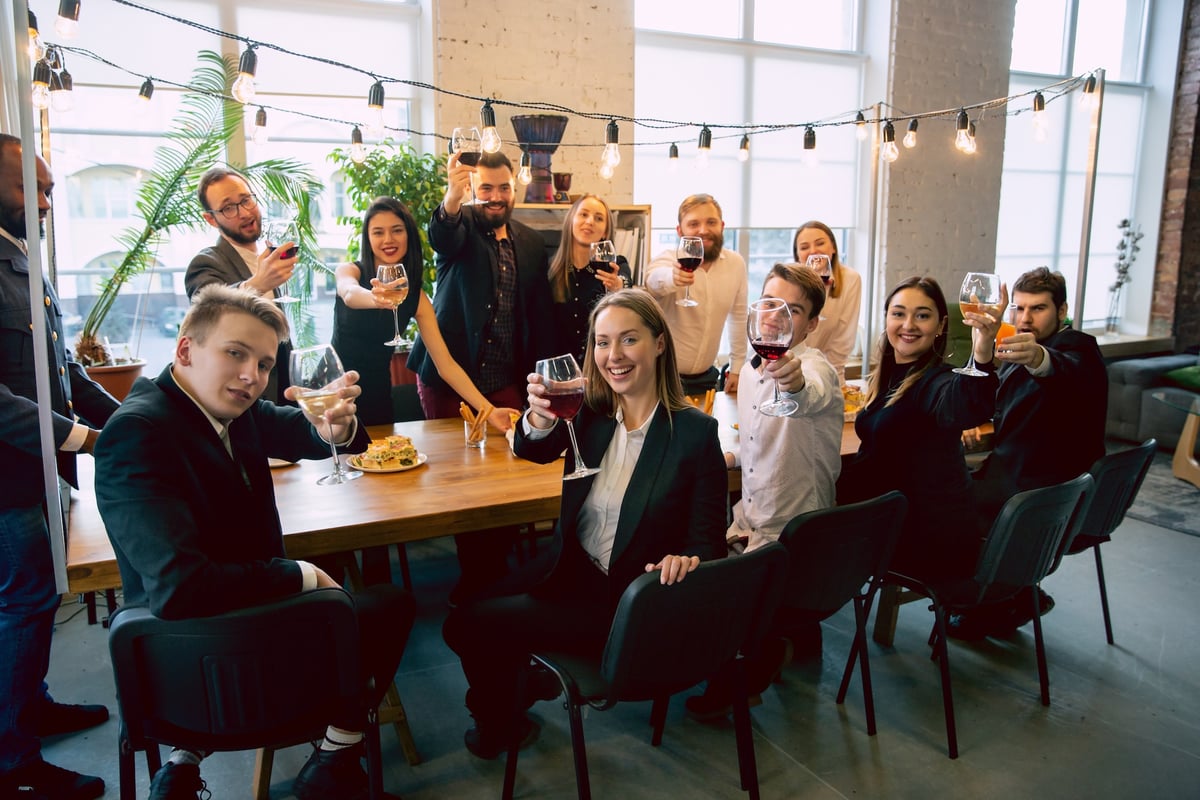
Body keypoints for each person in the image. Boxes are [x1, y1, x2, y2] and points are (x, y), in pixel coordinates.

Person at [94, 285, 415, 800]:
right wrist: (302, 574)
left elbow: (303, 431)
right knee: (390, 605)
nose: (252, 376)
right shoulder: (137, 434)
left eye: (265, 365)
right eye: (235, 353)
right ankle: (334, 754)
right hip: (200, 665)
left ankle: (183, 760)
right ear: (185, 349)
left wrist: (336, 422)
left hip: (209, 658)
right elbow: (182, 591)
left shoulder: (224, 408)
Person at [442, 288, 728, 759]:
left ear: (659, 343)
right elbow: (531, 448)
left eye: (628, 340)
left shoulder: (695, 434)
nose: (612, 356)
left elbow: (708, 545)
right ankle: (519, 682)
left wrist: (685, 559)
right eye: (601, 342)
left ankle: (499, 716)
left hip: (622, 601)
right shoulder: (590, 412)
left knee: (472, 625)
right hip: (569, 567)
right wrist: (536, 415)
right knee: (463, 607)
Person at [0, 134, 113, 800]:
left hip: (41, 474)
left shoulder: (24, 261)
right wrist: (83, 439)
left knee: (37, 601)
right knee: (23, 604)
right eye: (32, 187)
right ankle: (13, 763)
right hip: (8, 479)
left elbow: (61, 370)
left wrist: (127, 417)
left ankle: (32, 705)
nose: (47, 201)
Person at [407, 150, 554, 602]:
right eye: (485, 188)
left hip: (505, 378)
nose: (494, 197)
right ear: (475, 190)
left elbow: (535, 312)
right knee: (459, 478)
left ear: (515, 188)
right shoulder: (463, 227)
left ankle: (497, 571)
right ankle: (474, 579)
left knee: (512, 472)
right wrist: (453, 196)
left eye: (502, 188)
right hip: (449, 377)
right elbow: (441, 234)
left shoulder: (529, 242)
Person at [952, 266, 1108, 638]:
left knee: (939, 502)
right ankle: (1015, 593)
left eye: (1037, 309)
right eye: (1018, 308)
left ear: (1063, 310)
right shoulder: (1020, 346)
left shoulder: (1078, 349)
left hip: (1041, 497)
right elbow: (1000, 397)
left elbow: (1063, 373)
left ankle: (991, 598)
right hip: (1023, 481)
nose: (1024, 318)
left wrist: (1040, 358)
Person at [837, 275, 1004, 582]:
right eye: (898, 313)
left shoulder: (935, 381)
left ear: (941, 326)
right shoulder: (887, 376)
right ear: (886, 319)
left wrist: (982, 352)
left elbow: (962, 407)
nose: (908, 324)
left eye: (922, 315)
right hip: (900, 517)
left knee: (799, 530)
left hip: (927, 539)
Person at [332, 196, 514, 430]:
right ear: (368, 238)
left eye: (397, 230)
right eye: (378, 232)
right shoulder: (349, 271)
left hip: (379, 396)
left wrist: (489, 411)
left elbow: (446, 365)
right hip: (339, 389)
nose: (388, 239)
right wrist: (377, 298)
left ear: (408, 234)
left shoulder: (415, 296)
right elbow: (349, 293)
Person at [725, 263, 843, 553]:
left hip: (797, 536)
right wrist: (731, 457)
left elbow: (807, 395)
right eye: (769, 303)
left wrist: (796, 384)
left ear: (811, 324)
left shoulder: (817, 369)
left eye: (793, 310)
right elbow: (763, 439)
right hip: (749, 523)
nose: (776, 317)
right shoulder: (751, 371)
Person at [185, 166, 297, 404]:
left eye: (246, 200)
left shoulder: (267, 256)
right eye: (228, 208)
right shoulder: (206, 263)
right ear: (211, 219)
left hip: (280, 396)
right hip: (239, 399)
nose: (244, 213)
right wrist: (257, 284)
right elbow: (208, 310)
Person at [644, 193, 748, 396]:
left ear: (722, 226)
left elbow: (739, 319)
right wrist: (672, 277)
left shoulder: (736, 264)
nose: (703, 230)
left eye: (711, 222)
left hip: (707, 379)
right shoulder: (666, 260)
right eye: (693, 224)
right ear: (679, 230)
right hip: (661, 379)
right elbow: (652, 282)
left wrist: (737, 368)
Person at [546, 194, 632, 363]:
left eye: (599, 218)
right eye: (584, 214)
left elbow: (626, 282)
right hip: (559, 372)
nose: (590, 221)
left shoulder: (615, 265)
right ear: (571, 220)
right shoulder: (548, 269)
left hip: (601, 368)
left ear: (605, 231)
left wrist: (618, 286)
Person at [792, 220, 863, 383]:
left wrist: (832, 383)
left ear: (833, 248)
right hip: (791, 371)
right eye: (804, 247)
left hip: (831, 374)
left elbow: (843, 341)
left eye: (820, 243)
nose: (813, 251)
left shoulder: (850, 279)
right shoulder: (789, 284)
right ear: (798, 256)